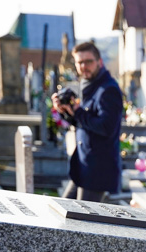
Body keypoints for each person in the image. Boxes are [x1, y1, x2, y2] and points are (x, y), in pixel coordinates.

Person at [51, 42, 123, 203]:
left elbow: (106, 127)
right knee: (64, 209)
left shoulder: (108, 89)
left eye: (88, 61)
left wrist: (77, 112)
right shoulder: (90, 86)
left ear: (100, 62)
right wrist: (66, 112)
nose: (84, 66)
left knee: (79, 223)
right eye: (80, 62)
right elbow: (85, 123)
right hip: (84, 168)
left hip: (97, 171)